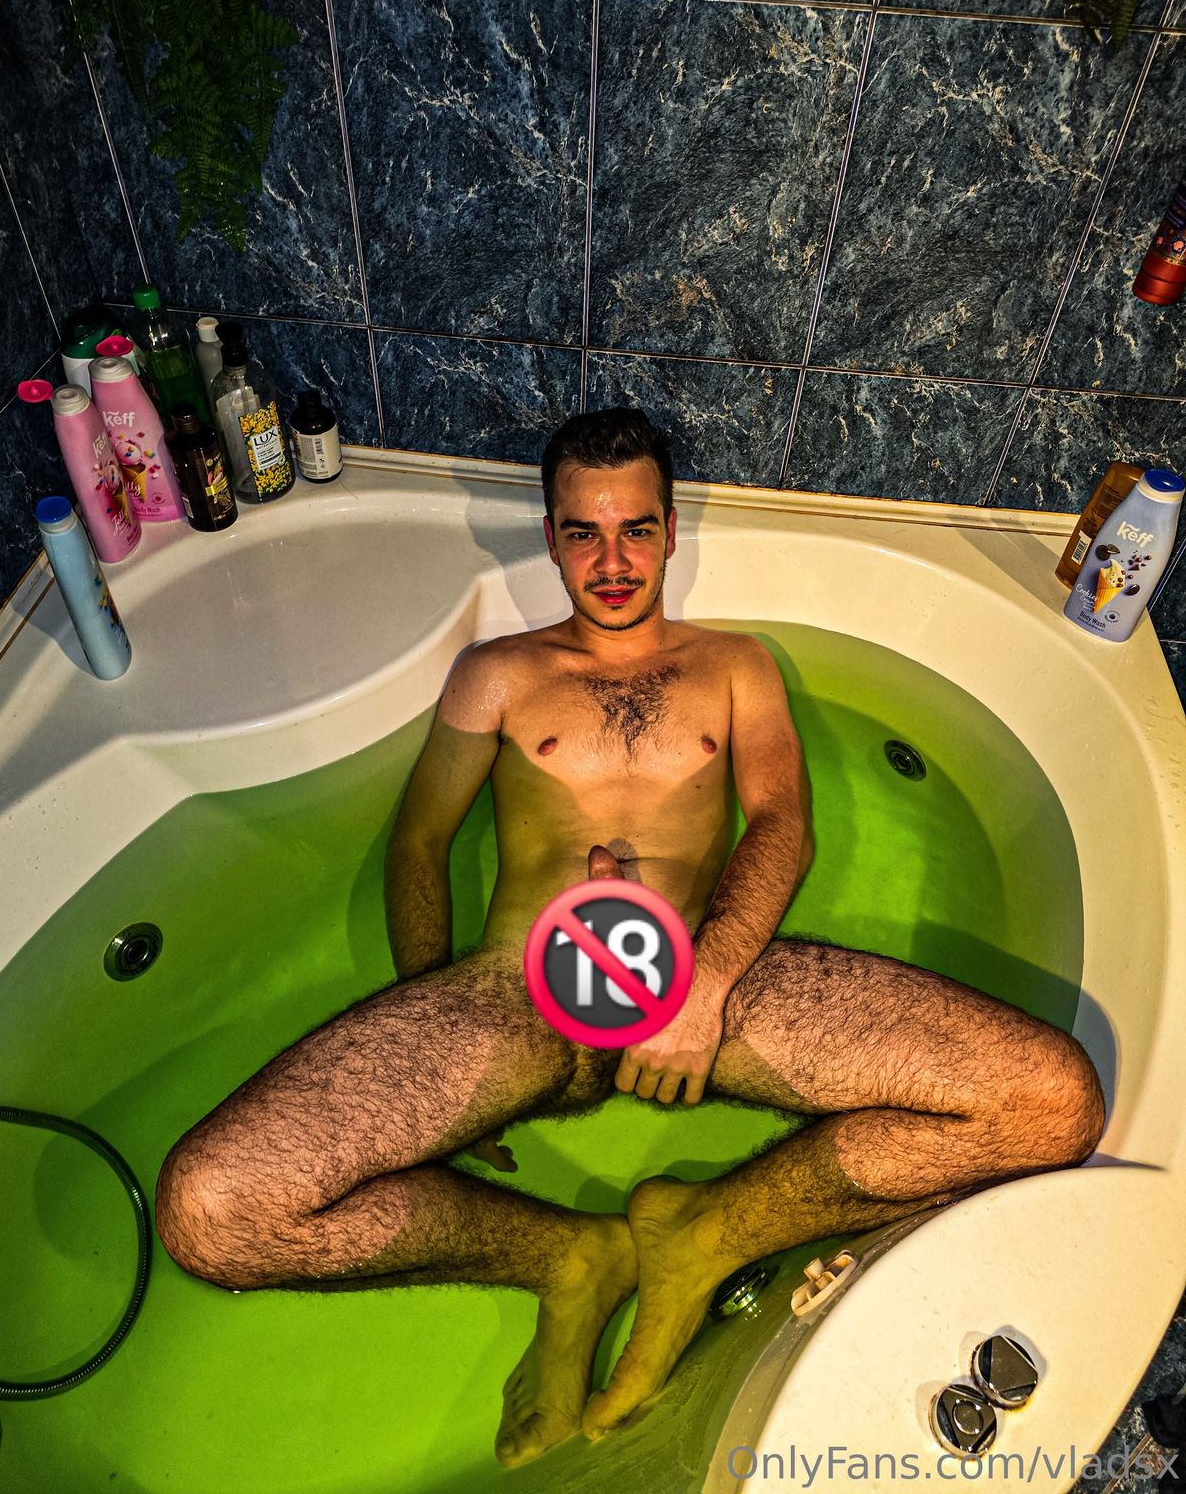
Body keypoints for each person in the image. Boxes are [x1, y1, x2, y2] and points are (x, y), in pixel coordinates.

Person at [155, 407, 1105, 1469]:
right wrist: (429, 1017)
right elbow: (421, 842)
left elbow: (783, 825)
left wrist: (707, 986)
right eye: (582, 533)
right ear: (551, 536)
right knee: (211, 1213)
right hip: (515, 995)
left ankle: (707, 1232)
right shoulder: (497, 674)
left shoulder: (736, 666)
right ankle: (564, 1257)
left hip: (708, 977)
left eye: (636, 530)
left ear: (668, 530)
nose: (611, 563)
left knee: (1053, 1102)